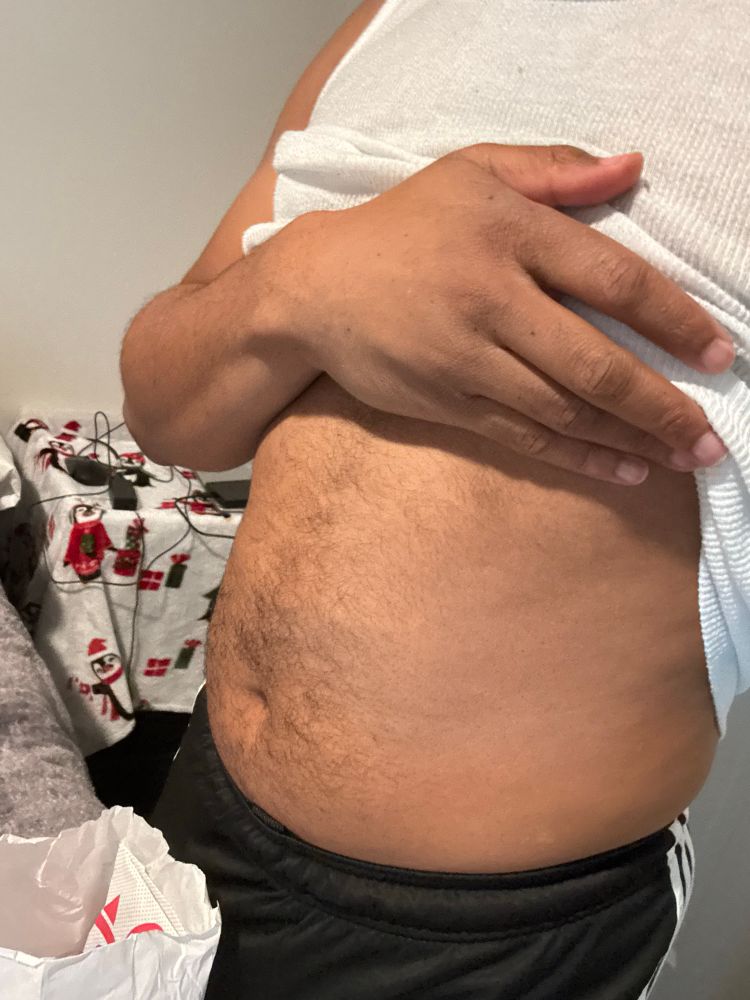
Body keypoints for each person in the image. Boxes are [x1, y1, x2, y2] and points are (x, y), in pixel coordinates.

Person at [122, 1, 749, 996]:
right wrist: (300, 283)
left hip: (488, 939)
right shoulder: (393, 13)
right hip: (209, 800)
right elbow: (165, 413)